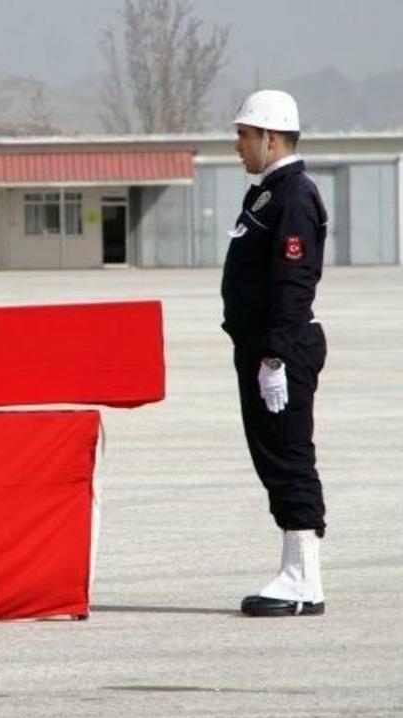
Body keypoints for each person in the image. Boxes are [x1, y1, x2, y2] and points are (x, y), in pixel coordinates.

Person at [222, 90, 329, 618]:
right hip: (262, 348)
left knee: (288, 456)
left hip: (279, 351)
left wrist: (275, 360)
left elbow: (293, 282)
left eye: (244, 136)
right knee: (274, 457)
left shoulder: (293, 195)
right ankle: (297, 572)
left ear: (269, 137)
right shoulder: (267, 193)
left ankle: (303, 578)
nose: (238, 146)